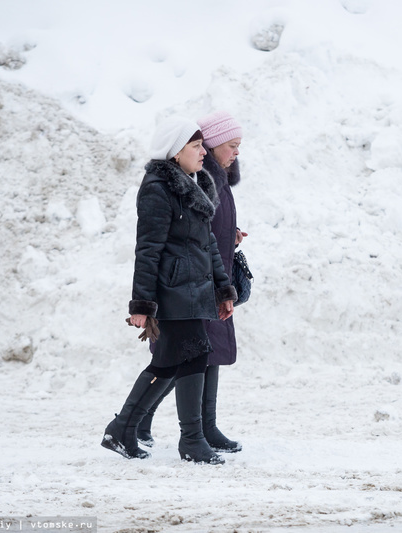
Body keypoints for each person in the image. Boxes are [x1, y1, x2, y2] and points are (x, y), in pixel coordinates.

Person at [101, 116, 237, 465]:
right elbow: (147, 250)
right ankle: (187, 439)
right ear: (176, 153)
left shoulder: (196, 184)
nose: (202, 152)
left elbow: (207, 244)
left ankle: (125, 429)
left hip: (196, 291)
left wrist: (224, 289)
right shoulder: (158, 188)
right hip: (173, 292)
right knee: (177, 361)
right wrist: (142, 304)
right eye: (195, 147)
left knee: (181, 360)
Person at [136, 111, 246, 454]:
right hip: (189, 284)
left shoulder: (211, 180)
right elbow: (160, 242)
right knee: (181, 356)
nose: (236, 153)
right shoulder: (191, 180)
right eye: (231, 145)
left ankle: (197, 431)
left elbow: (208, 233)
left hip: (208, 278)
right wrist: (143, 302)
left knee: (196, 355)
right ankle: (148, 425)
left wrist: (232, 238)